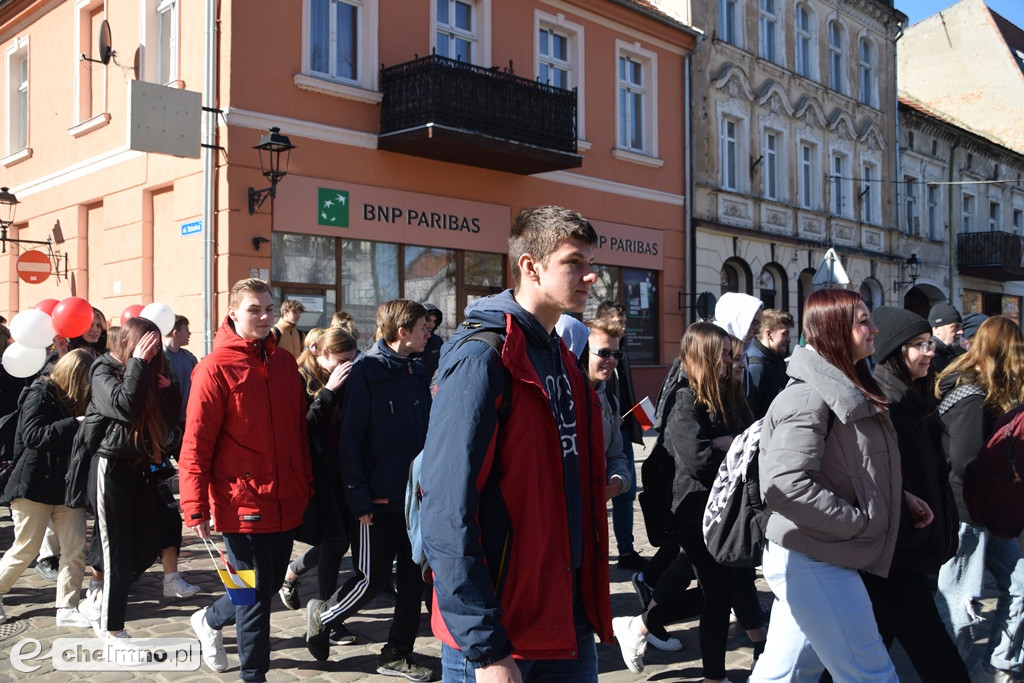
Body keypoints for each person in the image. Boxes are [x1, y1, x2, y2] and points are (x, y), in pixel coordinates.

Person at [420, 205, 611, 682]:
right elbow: (446, 508)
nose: (590, 276)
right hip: (502, 632)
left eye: (592, 263)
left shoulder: (561, 355)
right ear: (530, 266)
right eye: (574, 262)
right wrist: (485, 648)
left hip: (565, 617)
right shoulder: (482, 357)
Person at [750, 288, 921, 683]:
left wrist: (898, 498)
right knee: (871, 673)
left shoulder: (845, 382)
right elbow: (786, 485)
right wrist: (859, 523)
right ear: (834, 329)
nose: (874, 328)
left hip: (817, 552)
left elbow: (851, 466)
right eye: (863, 321)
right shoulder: (810, 394)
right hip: (814, 555)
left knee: (784, 675)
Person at [178, 278, 313, 681]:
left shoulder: (286, 364)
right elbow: (196, 442)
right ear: (233, 312)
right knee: (253, 599)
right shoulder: (214, 367)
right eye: (255, 309)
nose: (265, 316)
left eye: (269, 308)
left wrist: (304, 481)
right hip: (241, 502)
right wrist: (194, 505)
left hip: (284, 497)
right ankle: (254, 675)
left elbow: (298, 432)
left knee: (265, 587)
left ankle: (208, 618)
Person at [614, 323, 765, 680]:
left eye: (733, 355)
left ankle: (640, 626)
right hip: (692, 514)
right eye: (725, 355)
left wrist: (732, 445)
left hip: (726, 509)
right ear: (705, 357)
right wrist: (731, 449)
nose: (732, 361)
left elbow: (749, 440)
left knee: (723, 593)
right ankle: (712, 673)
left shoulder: (729, 394)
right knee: (718, 597)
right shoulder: (686, 398)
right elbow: (698, 460)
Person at [305, 299, 433, 680]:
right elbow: (351, 442)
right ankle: (323, 613)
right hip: (375, 499)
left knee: (413, 581)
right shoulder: (366, 373)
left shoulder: (415, 371)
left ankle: (396, 652)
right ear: (402, 333)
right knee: (372, 579)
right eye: (423, 327)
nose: (429, 333)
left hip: (414, 500)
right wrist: (358, 495)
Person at [861, 306, 966, 682]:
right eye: (919, 345)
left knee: (866, 656)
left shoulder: (918, 399)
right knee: (938, 658)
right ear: (894, 351)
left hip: (911, 547)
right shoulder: (884, 406)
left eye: (928, 342)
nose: (930, 351)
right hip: (896, 553)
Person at [79, 316, 181, 655]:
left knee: (146, 547)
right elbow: (126, 406)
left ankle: (98, 601)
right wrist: (138, 362)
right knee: (118, 555)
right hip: (111, 469)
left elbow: (167, 425)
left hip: (141, 471)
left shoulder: (147, 373)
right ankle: (114, 631)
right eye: (146, 348)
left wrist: (168, 391)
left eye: (155, 350)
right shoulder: (103, 370)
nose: (152, 356)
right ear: (132, 343)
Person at [934, 315, 1024, 682]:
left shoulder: (985, 391)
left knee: (1019, 587)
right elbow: (964, 462)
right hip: (967, 514)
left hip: (988, 511)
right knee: (960, 604)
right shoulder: (970, 393)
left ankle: (997, 665)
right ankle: (947, 673)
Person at [0, 349, 93, 627]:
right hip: (33, 485)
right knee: (25, 549)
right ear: (73, 376)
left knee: (75, 548)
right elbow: (32, 436)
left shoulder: (74, 399)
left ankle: (67, 607)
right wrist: (73, 424)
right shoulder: (40, 392)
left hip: (65, 487)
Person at [279, 328, 358, 648]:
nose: (346, 366)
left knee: (339, 541)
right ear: (321, 355)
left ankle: (292, 574)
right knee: (335, 541)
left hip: (340, 470)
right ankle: (328, 616)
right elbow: (301, 428)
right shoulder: (300, 379)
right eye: (341, 360)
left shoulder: (343, 377)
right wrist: (329, 390)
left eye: (351, 361)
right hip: (313, 475)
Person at [596, 300, 648, 571]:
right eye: (619, 322)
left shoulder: (621, 352)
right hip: (604, 431)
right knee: (603, 496)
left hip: (624, 430)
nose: (624, 327)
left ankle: (626, 551)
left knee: (625, 492)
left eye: (625, 322)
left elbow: (626, 391)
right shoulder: (597, 355)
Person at [745, 308, 793, 420]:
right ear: (768, 334)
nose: (789, 339)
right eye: (784, 334)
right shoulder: (756, 367)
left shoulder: (777, 360)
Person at [163, 315, 198, 434]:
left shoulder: (189, 357)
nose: (190, 334)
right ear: (175, 333)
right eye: (186, 330)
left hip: (189, 419)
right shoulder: (159, 358)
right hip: (167, 422)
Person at [928, 303, 964, 375]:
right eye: (955, 327)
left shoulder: (954, 352)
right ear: (936, 329)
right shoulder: (929, 358)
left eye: (961, 327)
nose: (961, 331)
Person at [419, 303, 444, 380]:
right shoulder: (414, 339)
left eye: (434, 321)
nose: (431, 324)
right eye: (429, 320)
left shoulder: (437, 340)